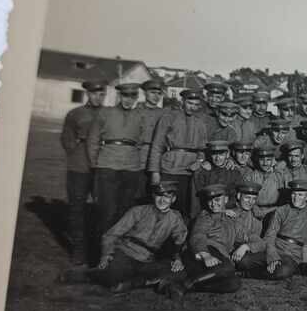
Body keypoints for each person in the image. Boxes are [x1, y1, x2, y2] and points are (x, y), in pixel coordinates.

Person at [57, 182, 187, 292]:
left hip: (148, 259)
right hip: (125, 253)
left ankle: (131, 283)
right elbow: (112, 234)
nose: (162, 200)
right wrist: (106, 255)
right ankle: (82, 275)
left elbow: (179, 240)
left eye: (167, 197)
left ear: (173, 199)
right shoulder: (138, 211)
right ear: (153, 196)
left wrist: (177, 258)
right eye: (159, 196)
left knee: (178, 271)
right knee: (112, 276)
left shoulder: (175, 218)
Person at [87, 83, 156, 242]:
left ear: (136, 98)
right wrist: (94, 164)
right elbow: (93, 140)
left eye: (132, 96)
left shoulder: (141, 116)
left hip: (131, 168)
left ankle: (117, 251)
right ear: (119, 96)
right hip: (107, 165)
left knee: (125, 210)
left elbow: (141, 141)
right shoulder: (105, 113)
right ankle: (100, 252)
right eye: (125, 96)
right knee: (107, 210)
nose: (128, 100)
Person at [156, 183, 243, 298]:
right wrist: (205, 255)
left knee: (234, 283)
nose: (213, 204)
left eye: (217, 200)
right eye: (210, 201)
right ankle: (185, 284)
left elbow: (245, 237)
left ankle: (179, 286)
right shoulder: (205, 216)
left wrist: (246, 246)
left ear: (226, 200)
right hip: (198, 253)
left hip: (218, 258)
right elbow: (198, 236)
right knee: (227, 268)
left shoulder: (230, 219)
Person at [60, 79, 106, 263]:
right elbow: (66, 141)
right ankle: (79, 250)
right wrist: (79, 142)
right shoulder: (75, 114)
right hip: (79, 168)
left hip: (102, 168)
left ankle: (98, 248)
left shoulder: (109, 114)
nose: (98, 97)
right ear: (88, 94)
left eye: (102, 94)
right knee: (77, 209)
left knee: (102, 209)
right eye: (94, 93)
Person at [146, 89, 210, 218]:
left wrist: (199, 162)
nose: (192, 107)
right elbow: (157, 146)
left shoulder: (201, 123)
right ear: (182, 101)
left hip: (190, 172)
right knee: (164, 206)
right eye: (189, 103)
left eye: (196, 105)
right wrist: (155, 172)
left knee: (185, 209)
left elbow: (203, 150)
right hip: (170, 169)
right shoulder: (168, 117)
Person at [259, 179, 307, 278]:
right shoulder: (281, 210)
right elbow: (269, 236)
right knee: (245, 261)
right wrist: (273, 256)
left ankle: (248, 273)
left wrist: (305, 261)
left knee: (283, 271)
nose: (296, 198)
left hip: (294, 255)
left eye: (300, 195)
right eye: (294, 194)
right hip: (275, 248)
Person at [226, 181, 278, 278]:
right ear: (238, 196)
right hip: (227, 251)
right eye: (247, 198)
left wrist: (246, 247)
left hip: (245, 252)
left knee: (245, 262)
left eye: (254, 199)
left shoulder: (255, 215)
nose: (250, 202)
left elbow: (259, 241)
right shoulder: (227, 212)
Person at [189, 140, 243, 215]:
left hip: (230, 212)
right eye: (214, 154)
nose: (217, 158)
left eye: (221, 154)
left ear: (227, 154)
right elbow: (197, 200)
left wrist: (226, 210)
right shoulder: (203, 172)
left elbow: (236, 197)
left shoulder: (234, 172)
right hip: (208, 213)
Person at [241, 146, 289, 218]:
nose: (265, 163)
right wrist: (254, 208)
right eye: (262, 160)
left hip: (275, 212)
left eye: (268, 160)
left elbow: (285, 201)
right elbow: (244, 197)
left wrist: (267, 211)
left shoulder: (280, 176)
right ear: (257, 160)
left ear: (273, 160)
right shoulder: (250, 176)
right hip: (253, 211)